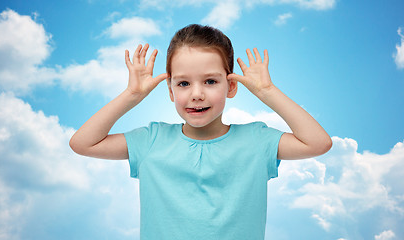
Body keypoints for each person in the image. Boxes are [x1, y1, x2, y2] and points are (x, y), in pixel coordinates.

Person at [70, 24, 332, 239]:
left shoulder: (256, 141)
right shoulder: (151, 140)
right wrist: (131, 95)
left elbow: (318, 143)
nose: (196, 94)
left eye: (210, 81)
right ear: (170, 90)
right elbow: (83, 144)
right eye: (183, 83)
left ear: (231, 86)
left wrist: (267, 92)